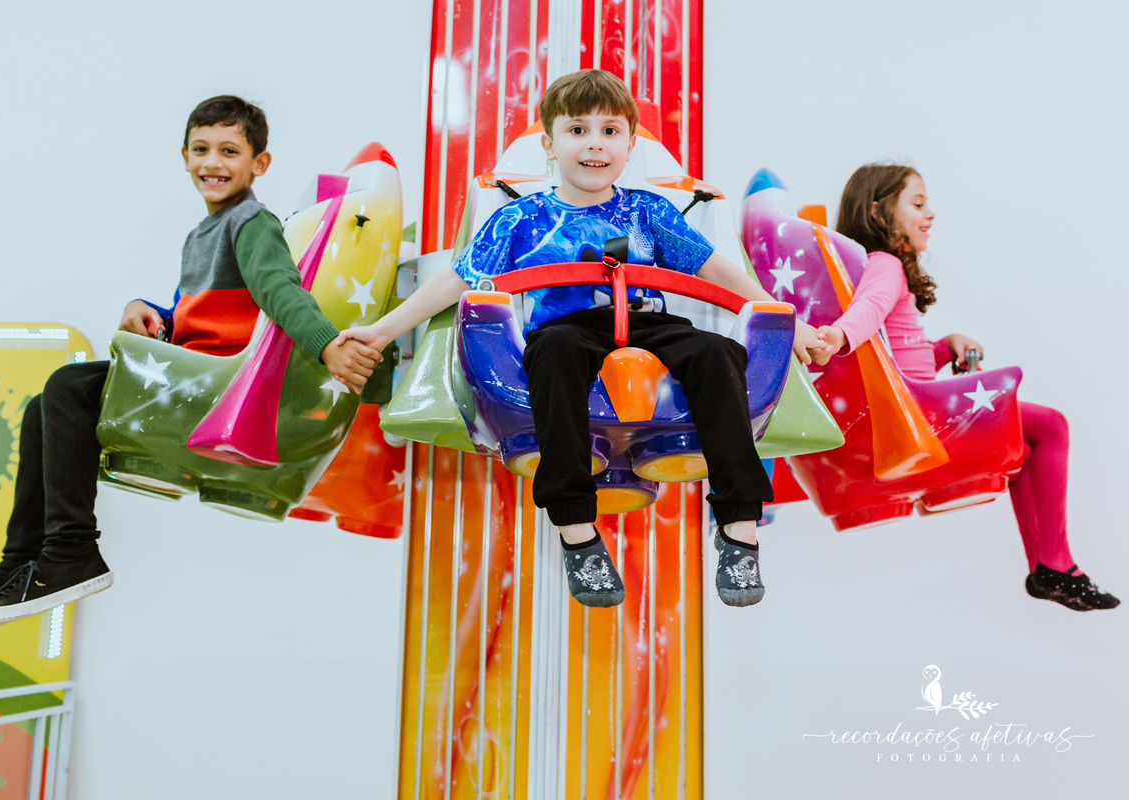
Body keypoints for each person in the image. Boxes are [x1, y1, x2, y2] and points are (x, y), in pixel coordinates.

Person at [340, 70, 826, 608]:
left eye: (610, 130)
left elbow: (719, 270)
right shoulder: (518, 217)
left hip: (646, 323)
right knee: (552, 353)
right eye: (577, 130)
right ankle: (577, 532)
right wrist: (382, 330)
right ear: (549, 144)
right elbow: (457, 279)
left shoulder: (649, 211)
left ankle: (739, 527)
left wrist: (790, 320)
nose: (595, 142)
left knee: (717, 355)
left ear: (629, 145)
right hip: (568, 330)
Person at [0, 95, 382, 636]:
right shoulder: (203, 234)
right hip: (196, 367)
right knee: (40, 408)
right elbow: (205, 316)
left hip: (219, 384)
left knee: (68, 386)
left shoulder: (252, 221)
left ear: (259, 163)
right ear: (185, 157)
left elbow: (279, 291)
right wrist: (156, 317)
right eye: (201, 149)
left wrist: (327, 343)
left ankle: (70, 551)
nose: (213, 162)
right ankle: (22, 563)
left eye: (229, 151)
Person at [814, 163, 1119, 612]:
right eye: (917, 203)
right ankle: (1054, 565)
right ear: (878, 212)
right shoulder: (886, 265)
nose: (930, 214)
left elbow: (895, 363)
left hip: (915, 407)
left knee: (1028, 445)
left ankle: (1049, 567)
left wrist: (942, 348)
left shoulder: (880, 267)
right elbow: (869, 309)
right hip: (918, 419)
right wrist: (838, 337)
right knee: (1051, 425)